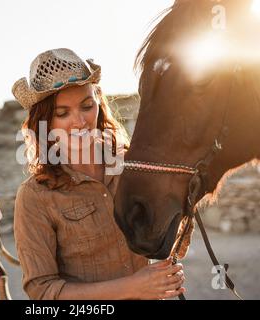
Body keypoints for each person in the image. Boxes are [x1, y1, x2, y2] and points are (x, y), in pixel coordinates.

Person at [12, 48, 185, 300]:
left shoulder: (133, 166)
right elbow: (42, 291)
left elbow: (171, 232)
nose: (80, 122)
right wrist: (133, 288)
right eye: (62, 113)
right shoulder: (35, 196)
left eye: (86, 106)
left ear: (99, 105)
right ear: (45, 123)